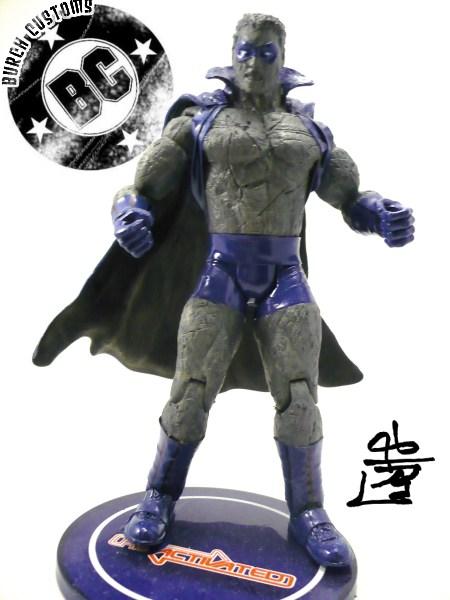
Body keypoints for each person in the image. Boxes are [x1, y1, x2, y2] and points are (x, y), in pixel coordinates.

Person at [34, 13, 414, 568]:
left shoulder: (310, 134)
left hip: (285, 278)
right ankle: (159, 497)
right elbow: (140, 189)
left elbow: (351, 197)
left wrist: (383, 215)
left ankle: (309, 512)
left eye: (266, 52)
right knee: (190, 392)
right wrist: (128, 215)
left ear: (282, 59)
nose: (253, 62)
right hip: (221, 274)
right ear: (231, 55)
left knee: (300, 397)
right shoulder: (200, 124)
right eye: (245, 51)